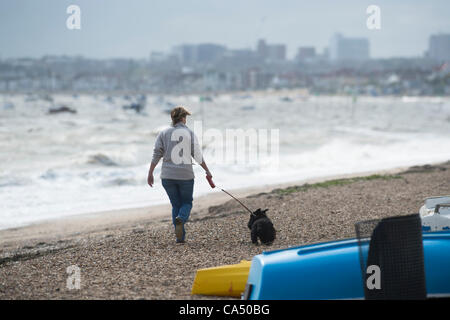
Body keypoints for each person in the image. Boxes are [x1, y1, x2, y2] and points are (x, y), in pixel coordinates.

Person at [148, 106, 212, 243]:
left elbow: (156, 154)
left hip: (167, 176)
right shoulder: (189, 133)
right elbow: (197, 155)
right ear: (183, 118)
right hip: (185, 176)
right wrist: (207, 171)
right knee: (187, 203)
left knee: (176, 205)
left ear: (172, 118)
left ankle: (180, 237)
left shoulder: (163, 133)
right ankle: (181, 219)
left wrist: (150, 173)